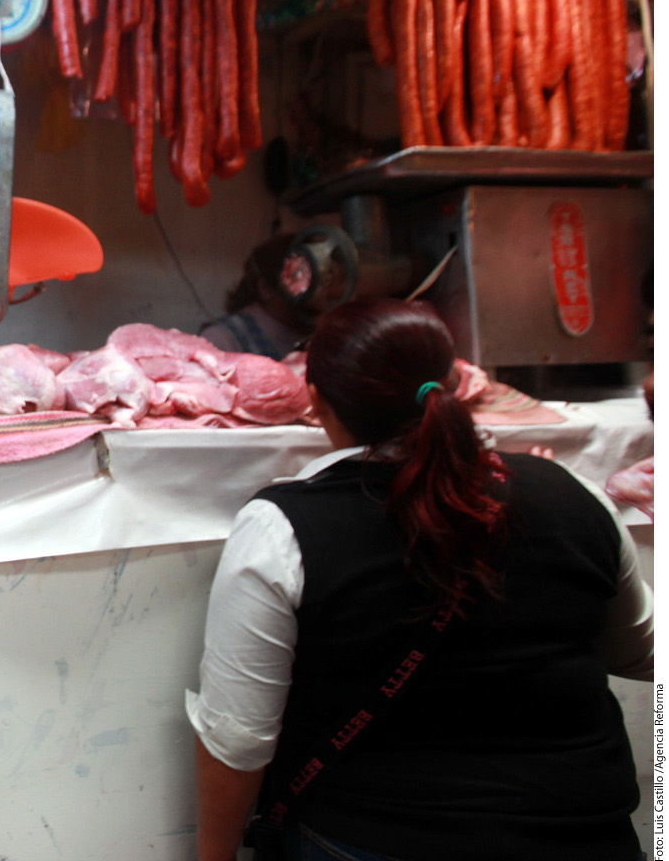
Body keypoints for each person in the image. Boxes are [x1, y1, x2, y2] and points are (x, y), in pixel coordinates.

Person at [190, 299, 653, 861]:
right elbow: (641, 654)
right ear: (455, 385)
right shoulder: (572, 494)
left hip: (373, 838)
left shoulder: (283, 529)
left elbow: (238, 740)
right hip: (586, 835)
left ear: (317, 400)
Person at [199, 232, 313, 360]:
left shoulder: (315, 333)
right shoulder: (221, 338)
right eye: (300, 281)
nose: (313, 297)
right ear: (265, 288)